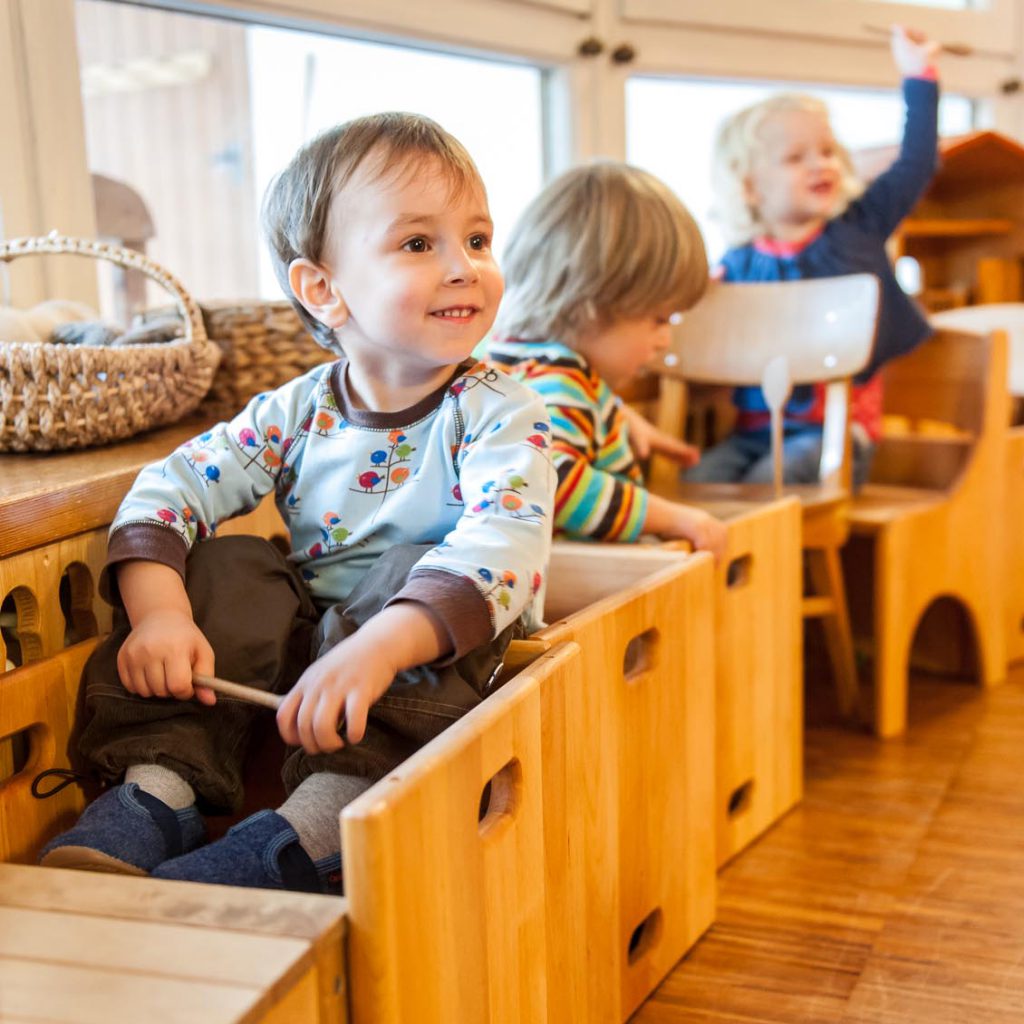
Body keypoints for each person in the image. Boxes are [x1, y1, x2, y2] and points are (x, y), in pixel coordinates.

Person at [40, 112, 554, 895]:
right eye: (421, 244)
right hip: (319, 646)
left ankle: (325, 822)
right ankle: (158, 791)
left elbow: (500, 543)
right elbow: (169, 490)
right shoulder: (294, 410)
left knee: (418, 563)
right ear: (323, 289)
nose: (465, 267)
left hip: (436, 661)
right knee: (230, 562)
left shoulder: (501, 410)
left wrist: (382, 644)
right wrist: (161, 616)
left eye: (478, 240)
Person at [685, 25, 940, 489]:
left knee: (768, 485)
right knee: (697, 481)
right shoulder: (739, 263)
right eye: (796, 157)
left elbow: (915, 164)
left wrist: (919, 76)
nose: (821, 164)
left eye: (826, 151)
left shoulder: (859, 227)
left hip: (836, 437)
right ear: (749, 186)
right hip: (753, 434)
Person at [487, 161, 726, 561]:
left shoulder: (502, 353)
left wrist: (615, 413)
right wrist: (675, 519)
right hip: (586, 580)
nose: (664, 340)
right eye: (659, 319)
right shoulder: (564, 378)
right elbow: (549, 480)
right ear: (595, 305)